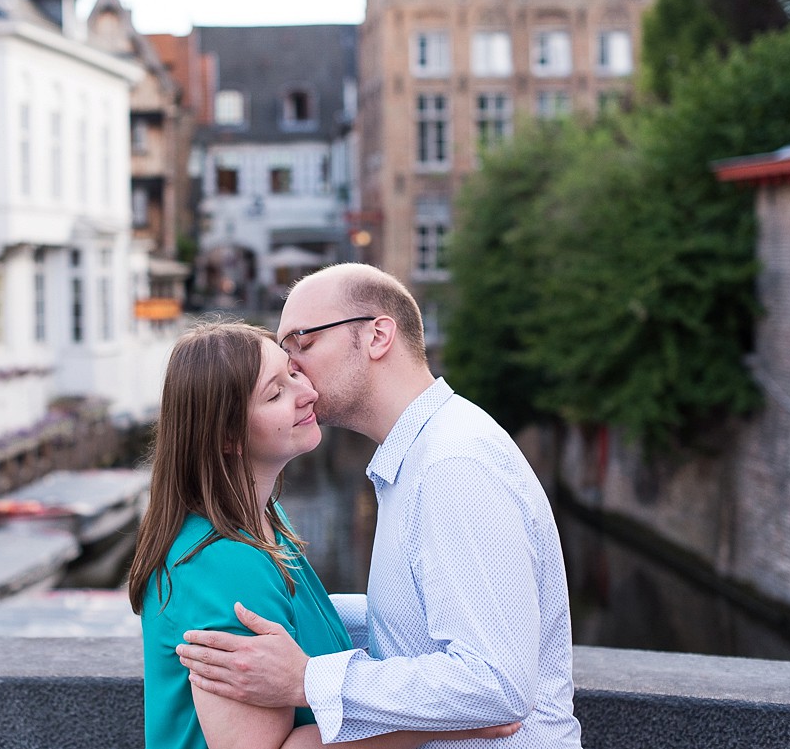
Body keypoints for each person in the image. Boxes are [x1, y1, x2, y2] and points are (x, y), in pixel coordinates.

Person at [176, 265, 584, 747]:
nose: (294, 369)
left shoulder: (450, 466)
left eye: (301, 344)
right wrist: (282, 605)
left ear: (377, 336)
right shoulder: (424, 454)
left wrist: (308, 679)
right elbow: (414, 618)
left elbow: (497, 683)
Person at [128, 319, 521, 749]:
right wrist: (452, 722)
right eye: (276, 393)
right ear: (228, 436)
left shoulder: (264, 521)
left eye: (293, 372)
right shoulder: (223, 561)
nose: (307, 392)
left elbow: (303, 622)